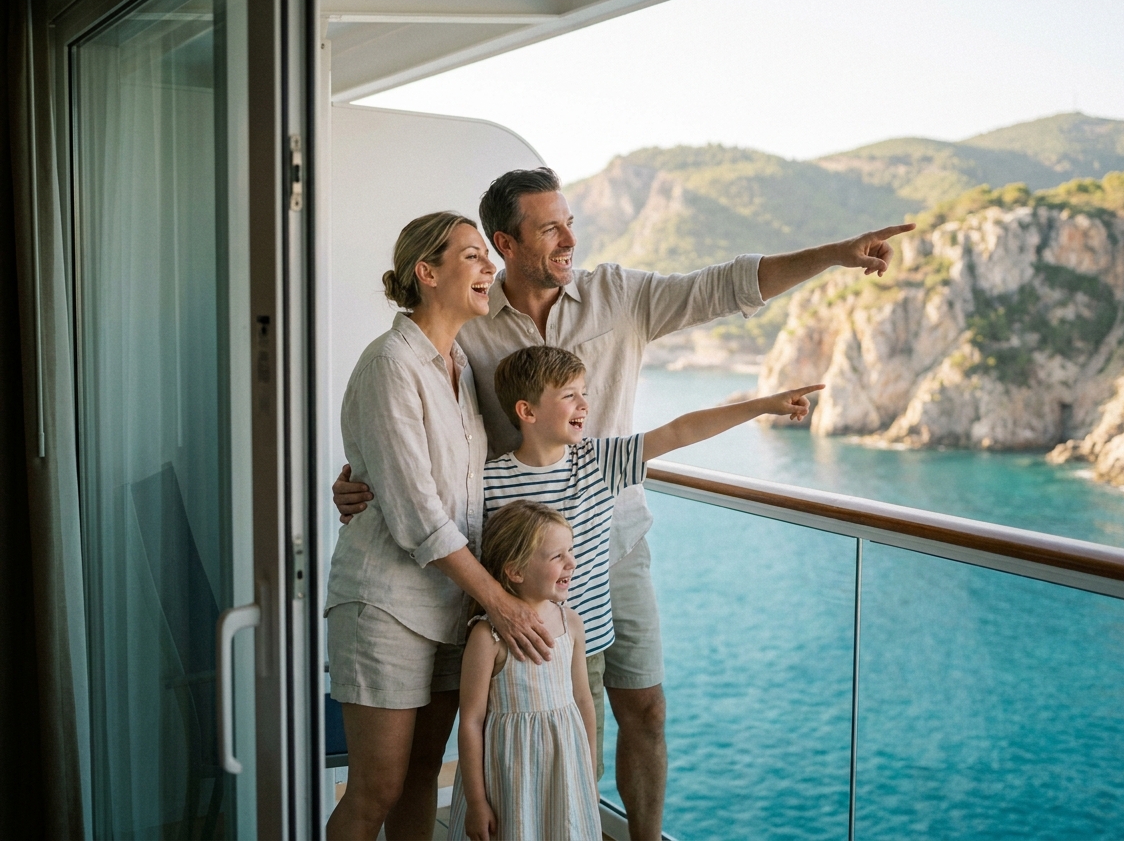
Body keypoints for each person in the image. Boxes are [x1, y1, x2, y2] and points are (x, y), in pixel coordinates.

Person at [334, 167, 914, 839]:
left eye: (570, 221)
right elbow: (416, 443)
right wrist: (362, 482)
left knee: (643, 707)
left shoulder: (617, 294)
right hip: (513, 566)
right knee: (531, 716)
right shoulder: (466, 327)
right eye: (549, 227)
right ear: (506, 241)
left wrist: (834, 255)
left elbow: (724, 288)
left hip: (614, 546)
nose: (568, 238)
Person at [324, 212, 556, 841]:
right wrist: (501, 604)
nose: (490, 267)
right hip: (385, 603)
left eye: (489, 256)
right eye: (473, 256)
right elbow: (417, 514)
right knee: (376, 786)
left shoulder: (460, 369)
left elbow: (473, 486)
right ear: (427, 272)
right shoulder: (390, 366)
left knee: (424, 773)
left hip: (450, 603)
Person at [482, 344, 822, 766]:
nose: (584, 404)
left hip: (582, 652)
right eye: (569, 395)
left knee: (581, 770)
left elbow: (681, 431)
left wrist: (762, 406)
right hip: (512, 652)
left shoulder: (600, 461)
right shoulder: (489, 479)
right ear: (526, 411)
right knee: (512, 767)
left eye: (584, 392)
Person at [447, 502, 602, 841]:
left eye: (571, 551)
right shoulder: (487, 636)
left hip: (563, 772)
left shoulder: (570, 623)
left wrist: (587, 773)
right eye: (556, 556)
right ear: (515, 571)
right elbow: (471, 721)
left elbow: (582, 700)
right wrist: (476, 802)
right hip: (509, 776)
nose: (571, 563)